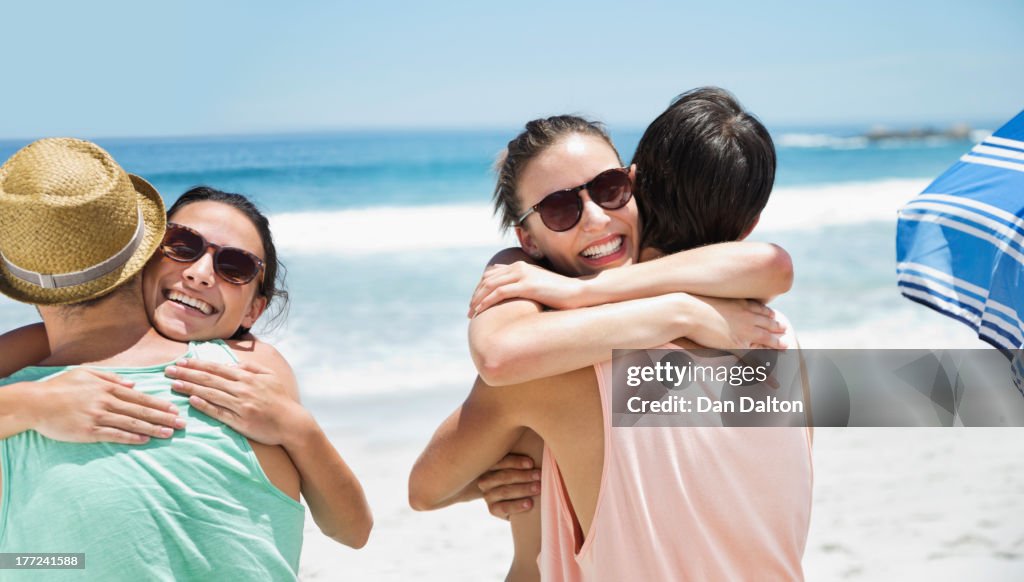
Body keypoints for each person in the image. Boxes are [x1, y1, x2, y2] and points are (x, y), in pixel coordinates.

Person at [410, 88, 811, 580]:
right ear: (527, 239)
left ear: (636, 185)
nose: (597, 217)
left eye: (608, 188)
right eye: (560, 209)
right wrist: (678, 311)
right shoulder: (779, 338)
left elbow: (425, 489)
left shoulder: (556, 372)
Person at [0, 139, 371, 579]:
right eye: (182, 244)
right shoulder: (30, 369)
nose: (199, 273)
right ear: (145, 258)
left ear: (254, 310)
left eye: (235, 267)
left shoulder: (254, 371)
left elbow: (353, 529)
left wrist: (298, 428)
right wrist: (31, 404)